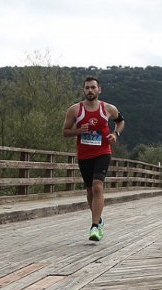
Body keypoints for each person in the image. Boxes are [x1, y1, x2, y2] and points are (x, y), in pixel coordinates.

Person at [62, 76, 124, 241]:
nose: (90, 90)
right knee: (90, 190)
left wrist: (115, 134)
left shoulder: (108, 109)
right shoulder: (75, 110)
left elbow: (120, 121)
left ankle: (94, 226)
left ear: (99, 90)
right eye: (87, 88)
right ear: (84, 90)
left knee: (98, 186)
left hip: (103, 151)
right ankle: (99, 220)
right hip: (84, 155)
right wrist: (79, 131)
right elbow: (65, 132)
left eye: (93, 87)